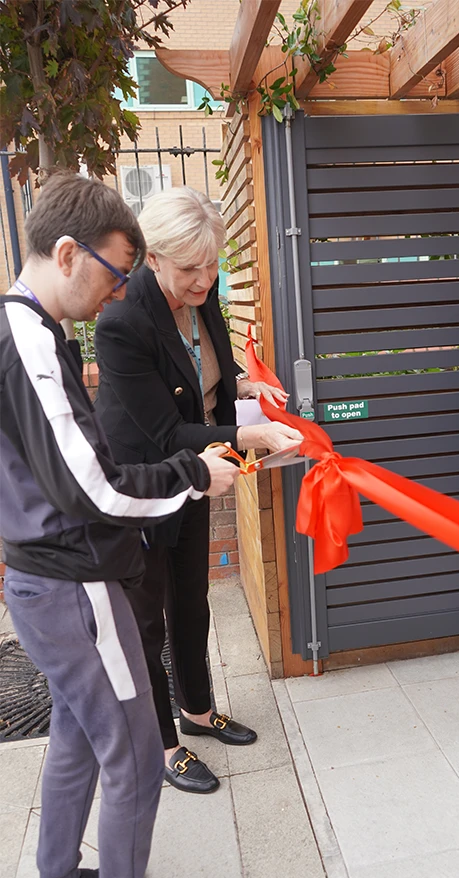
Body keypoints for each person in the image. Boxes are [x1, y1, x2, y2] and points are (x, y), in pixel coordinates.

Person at [0, 173, 240, 878]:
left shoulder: (28, 329)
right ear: (69, 253)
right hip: (74, 583)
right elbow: (94, 488)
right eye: (115, 273)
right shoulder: (35, 344)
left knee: (76, 734)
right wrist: (194, 474)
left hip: (42, 577)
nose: (118, 292)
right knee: (136, 760)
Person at [94, 186, 303, 794]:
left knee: (192, 599)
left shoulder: (203, 294)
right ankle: (161, 743)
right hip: (145, 483)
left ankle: (198, 710)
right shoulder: (122, 321)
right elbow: (165, 428)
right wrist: (251, 434)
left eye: (213, 265)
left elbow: (216, 376)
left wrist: (247, 395)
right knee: (146, 622)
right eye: (190, 267)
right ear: (152, 258)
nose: (205, 280)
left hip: (196, 473)